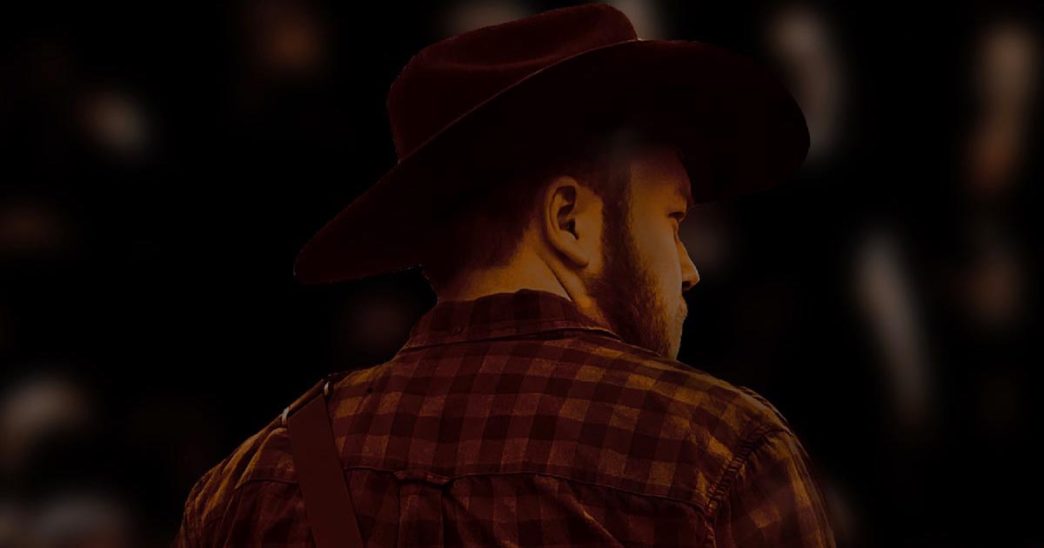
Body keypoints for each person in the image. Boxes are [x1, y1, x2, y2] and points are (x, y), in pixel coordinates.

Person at [174, 4, 835, 546]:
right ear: (569, 220)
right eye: (672, 219)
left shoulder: (260, 481)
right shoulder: (722, 456)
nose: (689, 269)